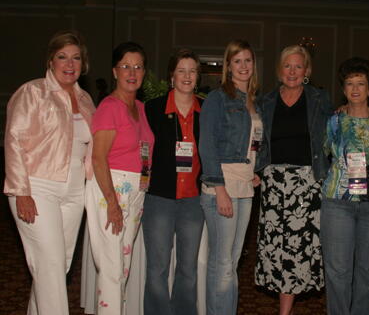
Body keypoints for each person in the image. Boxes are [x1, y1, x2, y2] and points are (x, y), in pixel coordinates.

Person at [3, 30, 95, 315]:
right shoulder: (32, 92)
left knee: (56, 266)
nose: (70, 64)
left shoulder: (87, 100)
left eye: (76, 58)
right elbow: (14, 140)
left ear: (84, 63)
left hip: (75, 190)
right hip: (38, 187)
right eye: (62, 57)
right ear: (51, 60)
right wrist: (21, 192)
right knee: (51, 265)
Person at [255, 45, 331, 315]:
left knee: (300, 250)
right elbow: (256, 141)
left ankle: (284, 311)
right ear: (279, 69)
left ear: (307, 71)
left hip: (307, 183)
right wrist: (254, 170)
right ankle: (284, 308)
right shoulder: (265, 101)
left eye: (298, 66)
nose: (292, 71)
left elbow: (331, 138)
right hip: (274, 183)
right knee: (276, 249)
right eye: (287, 66)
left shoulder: (320, 100)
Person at [85, 41, 155, 315]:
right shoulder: (109, 107)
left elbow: (144, 152)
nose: (132, 72)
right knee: (112, 269)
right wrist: (112, 203)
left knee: (122, 268)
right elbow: (98, 158)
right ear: (115, 71)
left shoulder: (141, 107)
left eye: (138, 66)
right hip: (109, 190)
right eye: (126, 66)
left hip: (136, 193)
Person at [320, 57, 369, 315]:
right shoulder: (334, 120)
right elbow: (327, 151)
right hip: (338, 201)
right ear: (343, 88)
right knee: (337, 271)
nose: (355, 89)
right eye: (349, 83)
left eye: (360, 83)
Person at [199, 39, 263, 315]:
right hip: (221, 186)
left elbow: (253, 142)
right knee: (222, 263)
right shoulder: (218, 98)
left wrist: (255, 171)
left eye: (247, 60)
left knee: (232, 262)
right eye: (237, 61)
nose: (243, 66)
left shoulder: (253, 101)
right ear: (227, 66)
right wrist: (219, 187)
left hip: (245, 187)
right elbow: (207, 144)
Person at [142, 48, 204, 315]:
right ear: (172, 76)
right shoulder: (152, 109)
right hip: (159, 198)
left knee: (188, 269)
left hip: (193, 200)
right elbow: (142, 151)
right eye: (181, 70)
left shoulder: (206, 110)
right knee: (158, 268)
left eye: (192, 71)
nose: (187, 76)